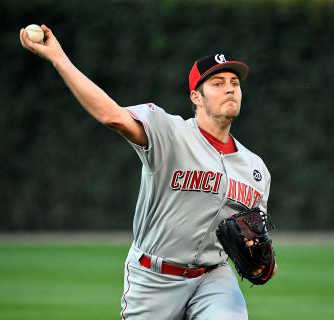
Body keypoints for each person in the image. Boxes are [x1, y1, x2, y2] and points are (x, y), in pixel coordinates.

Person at [20, 24, 277, 320]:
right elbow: (111, 116)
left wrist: (263, 264)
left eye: (234, 82)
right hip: (154, 277)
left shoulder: (255, 168)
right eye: (217, 83)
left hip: (213, 277)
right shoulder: (169, 131)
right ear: (196, 97)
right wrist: (58, 58)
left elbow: (257, 240)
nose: (230, 87)